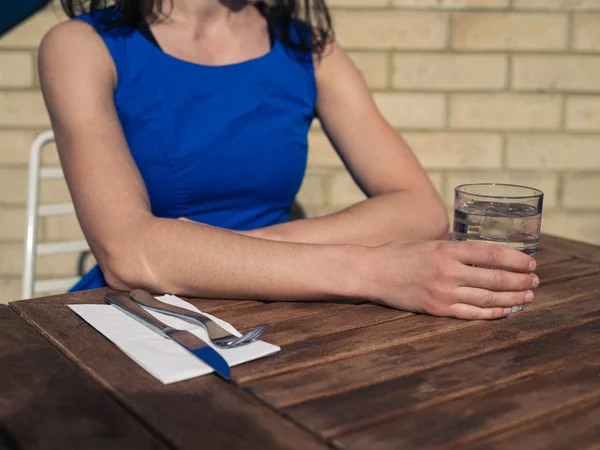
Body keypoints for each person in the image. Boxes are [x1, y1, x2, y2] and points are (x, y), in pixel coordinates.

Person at [38, 0, 538, 320]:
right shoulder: (82, 46)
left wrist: (209, 255)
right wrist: (370, 269)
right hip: (144, 313)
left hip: (286, 301)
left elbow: (419, 210)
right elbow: (129, 254)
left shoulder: (309, 49)